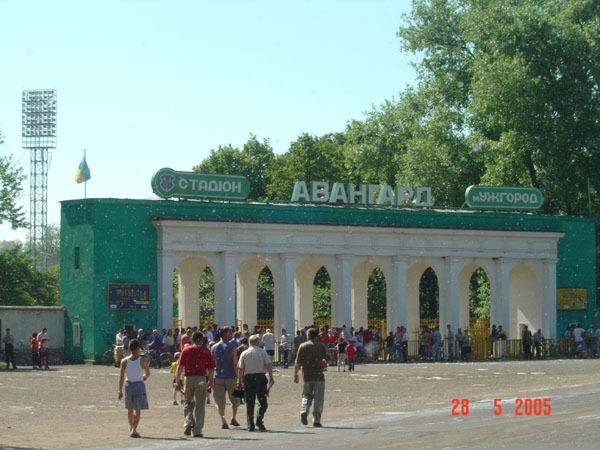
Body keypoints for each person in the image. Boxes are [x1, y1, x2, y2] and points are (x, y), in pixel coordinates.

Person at [175, 331, 215, 438]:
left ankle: (188, 422)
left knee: (188, 402)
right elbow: (211, 368)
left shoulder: (186, 350)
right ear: (202, 339)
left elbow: (179, 366)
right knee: (200, 405)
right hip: (201, 378)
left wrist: (178, 380)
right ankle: (197, 430)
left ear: (192, 339)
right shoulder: (205, 351)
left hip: (188, 378)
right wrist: (210, 380)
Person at [294, 327, 331, 427]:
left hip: (306, 375)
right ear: (317, 336)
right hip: (318, 376)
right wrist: (323, 362)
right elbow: (329, 359)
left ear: (308, 336)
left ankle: (304, 410)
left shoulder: (303, 346)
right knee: (318, 397)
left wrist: (295, 375)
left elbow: (297, 363)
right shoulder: (321, 346)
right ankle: (316, 419)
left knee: (306, 395)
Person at [237, 334, 274, 432]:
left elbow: (240, 369)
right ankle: (259, 419)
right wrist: (271, 377)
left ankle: (250, 424)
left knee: (250, 402)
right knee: (263, 402)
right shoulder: (262, 352)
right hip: (260, 378)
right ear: (258, 342)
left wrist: (239, 381)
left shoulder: (244, 353)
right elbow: (268, 365)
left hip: (248, 378)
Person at [118, 339, 150, 438]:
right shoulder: (142, 360)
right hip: (139, 384)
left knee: (130, 409)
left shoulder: (124, 361)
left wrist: (119, 390)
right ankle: (134, 429)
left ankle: (131, 427)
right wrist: (145, 376)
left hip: (129, 384)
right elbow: (148, 372)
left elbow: (121, 377)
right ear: (137, 348)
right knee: (137, 409)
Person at [211, 326, 241, 429]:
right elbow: (235, 362)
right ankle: (233, 417)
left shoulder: (213, 347)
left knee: (219, 400)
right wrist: (238, 377)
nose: (231, 334)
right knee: (235, 398)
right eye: (230, 333)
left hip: (218, 375)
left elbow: (211, 363)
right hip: (231, 376)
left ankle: (223, 420)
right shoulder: (232, 346)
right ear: (225, 334)